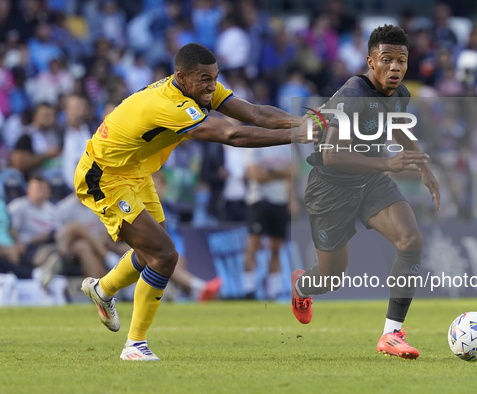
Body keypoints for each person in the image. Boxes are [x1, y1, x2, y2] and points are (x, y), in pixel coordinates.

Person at [75, 43, 315, 361]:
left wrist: (307, 124)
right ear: (181, 77)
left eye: (214, 78)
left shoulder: (198, 87)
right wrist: (303, 135)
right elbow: (233, 136)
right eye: (205, 79)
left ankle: (103, 290)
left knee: (151, 255)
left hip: (134, 171)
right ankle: (135, 345)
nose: (212, 85)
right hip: (103, 176)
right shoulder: (168, 104)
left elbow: (256, 114)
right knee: (163, 255)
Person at [290, 25, 440, 360]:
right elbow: (330, 153)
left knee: (411, 239)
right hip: (330, 187)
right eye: (386, 60)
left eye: (401, 60)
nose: (395, 67)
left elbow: (397, 126)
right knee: (330, 279)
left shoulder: (400, 95)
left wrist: (424, 168)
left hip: (370, 181)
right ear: (370, 62)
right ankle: (302, 286)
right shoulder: (353, 94)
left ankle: (392, 334)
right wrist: (388, 165)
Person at [152, 171, 221, 301]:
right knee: (168, 264)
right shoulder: (145, 211)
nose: (156, 190)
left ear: (165, 187)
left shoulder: (170, 208)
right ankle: (201, 288)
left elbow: (176, 236)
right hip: (156, 256)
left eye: (158, 186)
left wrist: (179, 254)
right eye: (152, 186)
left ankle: (195, 291)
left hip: (173, 253)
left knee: (173, 265)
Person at [242, 145, 291, 299]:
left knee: (276, 246)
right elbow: (255, 174)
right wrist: (279, 173)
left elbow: (293, 171)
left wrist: (268, 172)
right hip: (259, 200)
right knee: (254, 243)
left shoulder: (286, 147)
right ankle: (248, 289)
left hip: (280, 200)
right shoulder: (254, 146)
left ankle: (273, 291)